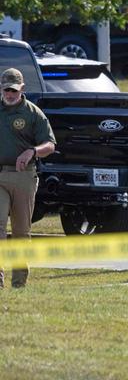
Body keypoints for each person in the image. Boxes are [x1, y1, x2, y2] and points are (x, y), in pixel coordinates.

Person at [0, 68, 56, 288]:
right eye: (6, 89)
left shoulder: (33, 113)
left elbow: (50, 145)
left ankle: (19, 282)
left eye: (14, 90)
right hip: (0, 175)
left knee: (22, 230)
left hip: (24, 176)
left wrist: (33, 151)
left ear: (22, 89)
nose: (10, 94)